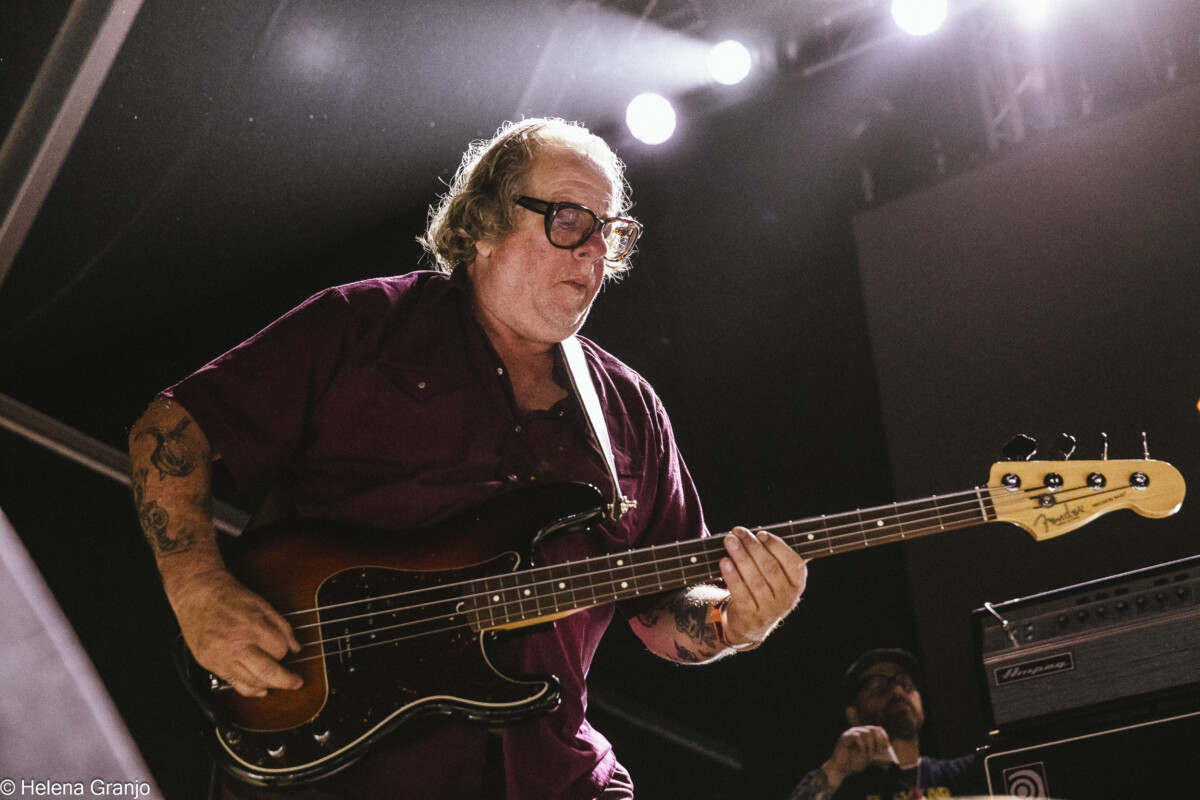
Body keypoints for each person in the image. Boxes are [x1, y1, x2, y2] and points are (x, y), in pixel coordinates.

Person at [128, 117, 807, 800]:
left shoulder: (629, 410)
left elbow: (662, 611)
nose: (595, 250)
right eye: (570, 220)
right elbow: (172, 429)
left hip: (556, 778)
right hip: (349, 772)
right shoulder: (363, 326)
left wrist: (736, 622)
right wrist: (199, 590)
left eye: (611, 231)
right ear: (484, 224)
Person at [786, 648, 984, 800]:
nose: (897, 690)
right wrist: (835, 770)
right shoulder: (842, 786)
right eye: (878, 685)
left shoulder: (964, 774)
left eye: (905, 682)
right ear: (853, 715)